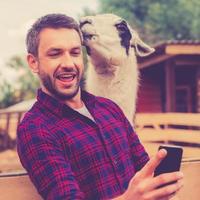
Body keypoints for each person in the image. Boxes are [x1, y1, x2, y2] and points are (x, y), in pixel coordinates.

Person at [17, 13, 183, 200]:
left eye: (75, 52)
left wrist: (161, 185)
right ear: (34, 63)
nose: (68, 63)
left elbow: (144, 169)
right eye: (55, 54)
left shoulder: (109, 109)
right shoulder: (36, 129)